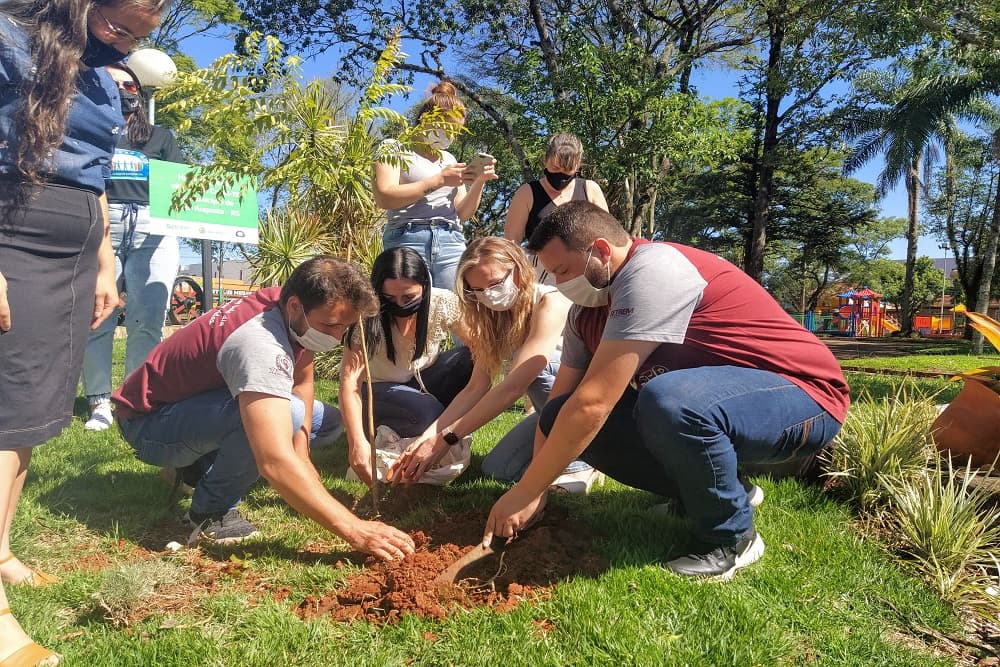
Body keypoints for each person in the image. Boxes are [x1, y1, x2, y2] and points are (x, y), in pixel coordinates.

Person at [482, 201, 850, 580]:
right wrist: (537, 488)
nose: (560, 285)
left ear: (602, 251)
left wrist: (524, 491)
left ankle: (732, 538)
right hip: (717, 407)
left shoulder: (653, 269)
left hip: (803, 397)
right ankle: (719, 491)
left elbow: (594, 403)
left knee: (668, 400)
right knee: (565, 413)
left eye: (564, 271)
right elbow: (561, 404)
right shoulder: (585, 313)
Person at [0, 1, 166, 664]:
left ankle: (1, 550)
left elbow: (94, 169)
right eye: (123, 20)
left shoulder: (105, 75)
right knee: (6, 416)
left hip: (74, 254)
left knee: (37, 413)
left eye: (144, 30)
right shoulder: (9, 38)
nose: (131, 37)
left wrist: (103, 262)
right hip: (15, 232)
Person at [112, 256, 415, 560]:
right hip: (148, 424)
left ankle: (197, 466)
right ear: (296, 306)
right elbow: (273, 461)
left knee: (328, 421)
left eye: (345, 327)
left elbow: (303, 379)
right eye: (331, 326)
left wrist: (303, 453)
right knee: (290, 414)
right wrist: (356, 530)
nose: (337, 338)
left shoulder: (288, 306)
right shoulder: (260, 343)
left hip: (192, 405)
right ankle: (211, 512)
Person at [387, 237, 600, 492]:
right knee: (497, 471)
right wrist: (427, 437)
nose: (489, 295)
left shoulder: (551, 302)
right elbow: (475, 388)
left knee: (536, 368)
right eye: (478, 290)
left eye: (495, 283)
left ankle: (584, 460)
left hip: (584, 405)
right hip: (549, 410)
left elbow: (515, 386)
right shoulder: (492, 320)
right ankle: (558, 456)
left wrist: (447, 439)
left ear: (518, 267)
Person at [81, 62, 184, 431]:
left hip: (153, 228)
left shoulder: (161, 138)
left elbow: (181, 187)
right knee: (99, 316)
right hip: (103, 223)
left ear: (139, 93)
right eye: (114, 83)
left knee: (148, 320)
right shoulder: (89, 132)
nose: (123, 90)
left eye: (129, 84)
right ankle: (98, 402)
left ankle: (135, 398)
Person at [340, 247, 473, 487]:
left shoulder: (442, 303)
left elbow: (481, 349)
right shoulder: (364, 316)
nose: (400, 306)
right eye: (389, 300)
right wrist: (356, 443)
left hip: (420, 381)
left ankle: (432, 424)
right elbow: (350, 384)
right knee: (429, 415)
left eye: (409, 298)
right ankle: (412, 424)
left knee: (468, 359)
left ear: (425, 286)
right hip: (377, 390)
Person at [373, 80, 496, 293]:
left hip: (450, 240)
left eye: (457, 132)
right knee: (410, 312)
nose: (452, 136)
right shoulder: (394, 148)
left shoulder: (448, 158)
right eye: (449, 128)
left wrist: (479, 182)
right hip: (408, 238)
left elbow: (463, 212)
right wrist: (439, 180)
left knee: (455, 313)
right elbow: (385, 197)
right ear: (427, 119)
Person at [504, 133, 608, 284]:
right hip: (541, 277)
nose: (561, 174)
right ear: (545, 160)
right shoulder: (526, 193)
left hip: (585, 276)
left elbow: (606, 235)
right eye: (555, 167)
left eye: (568, 169)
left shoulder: (590, 189)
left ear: (578, 165)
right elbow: (511, 243)